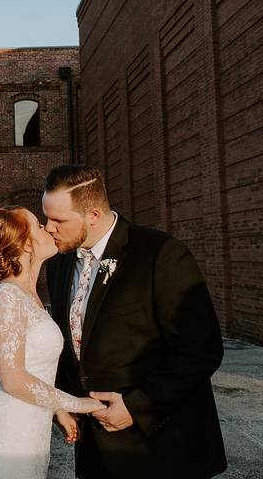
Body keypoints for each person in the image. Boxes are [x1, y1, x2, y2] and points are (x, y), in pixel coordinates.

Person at [42, 165, 227, 478]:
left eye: (58, 220)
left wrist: (136, 407)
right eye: (46, 217)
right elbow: (71, 343)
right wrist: (62, 402)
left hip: (161, 449)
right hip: (95, 454)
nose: (48, 228)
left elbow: (201, 351)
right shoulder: (59, 264)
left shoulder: (161, 255)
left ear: (94, 215)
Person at [0, 207, 104, 479]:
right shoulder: (7, 298)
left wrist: (56, 409)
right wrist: (77, 404)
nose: (49, 228)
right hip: (8, 433)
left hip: (31, 428)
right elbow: (11, 378)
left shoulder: (29, 295)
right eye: (40, 226)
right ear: (27, 243)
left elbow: (31, 367)